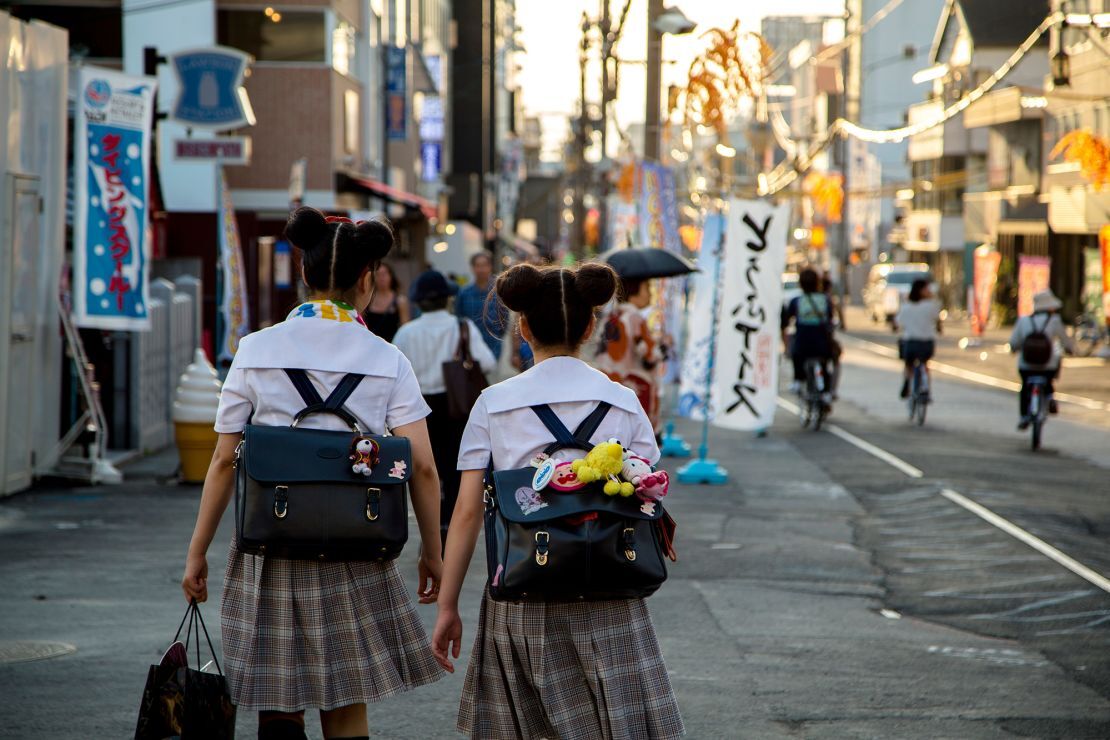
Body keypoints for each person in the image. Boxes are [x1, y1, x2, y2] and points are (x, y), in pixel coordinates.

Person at [181, 208, 444, 740]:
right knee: (346, 703)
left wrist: (197, 552)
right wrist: (432, 553)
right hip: (357, 545)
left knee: (280, 703)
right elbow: (421, 466)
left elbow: (222, 461)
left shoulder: (255, 350)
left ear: (304, 271)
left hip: (271, 546)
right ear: (367, 278)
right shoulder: (388, 358)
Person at [431, 262, 684, 740]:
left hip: (525, 589)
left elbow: (465, 512)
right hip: (612, 591)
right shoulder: (623, 402)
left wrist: (448, 608)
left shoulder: (494, 403)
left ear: (522, 328)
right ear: (591, 327)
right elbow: (648, 498)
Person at [393, 270, 496, 543]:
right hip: (455, 404)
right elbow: (487, 363)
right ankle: (450, 525)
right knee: (453, 466)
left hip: (416, 406)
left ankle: (430, 525)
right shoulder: (461, 326)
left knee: (424, 466)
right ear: (447, 299)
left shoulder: (406, 332)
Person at [592, 276, 663, 430]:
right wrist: (661, 347)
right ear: (634, 290)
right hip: (633, 386)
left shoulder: (610, 317)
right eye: (647, 288)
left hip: (607, 384)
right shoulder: (635, 318)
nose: (650, 294)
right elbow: (649, 355)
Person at [1009, 290, 1075, 430]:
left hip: (1026, 366)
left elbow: (1014, 343)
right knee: (1050, 378)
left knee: (1024, 387)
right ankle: (1050, 396)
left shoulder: (1024, 320)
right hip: (1048, 366)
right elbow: (1065, 341)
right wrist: (1070, 349)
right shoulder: (1055, 321)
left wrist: (1014, 349)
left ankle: (1024, 416)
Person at [781, 268, 834, 397]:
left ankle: (798, 380)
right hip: (822, 343)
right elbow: (831, 319)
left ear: (801, 284)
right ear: (817, 282)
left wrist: (786, 345)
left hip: (802, 343)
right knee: (824, 363)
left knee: (796, 355)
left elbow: (786, 322)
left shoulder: (797, 301)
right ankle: (826, 392)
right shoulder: (825, 300)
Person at [893, 278, 942, 399]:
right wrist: (939, 329)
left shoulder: (906, 306)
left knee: (909, 364)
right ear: (921, 290)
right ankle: (925, 388)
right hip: (927, 344)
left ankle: (907, 381)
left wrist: (896, 328)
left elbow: (897, 324)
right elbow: (938, 321)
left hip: (910, 342)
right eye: (927, 288)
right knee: (925, 363)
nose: (929, 291)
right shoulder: (931, 306)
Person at [455, 252, 507, 359]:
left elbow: (505, 319)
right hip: (470, 348)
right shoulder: (464, 293)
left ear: (490, 267)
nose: (481, 269)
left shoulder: (499, 292)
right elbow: (458, 317)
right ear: (472, 268)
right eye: (478, 266)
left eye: (484, 265)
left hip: (494, 347)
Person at [362, 261, 410, 342]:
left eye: (384, 274)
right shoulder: (367, 300)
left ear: (391, 276)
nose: (381, 278)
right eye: (378, 275)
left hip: (393, 345)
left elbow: (405, 327)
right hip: (371, 344)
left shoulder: (399, 300)